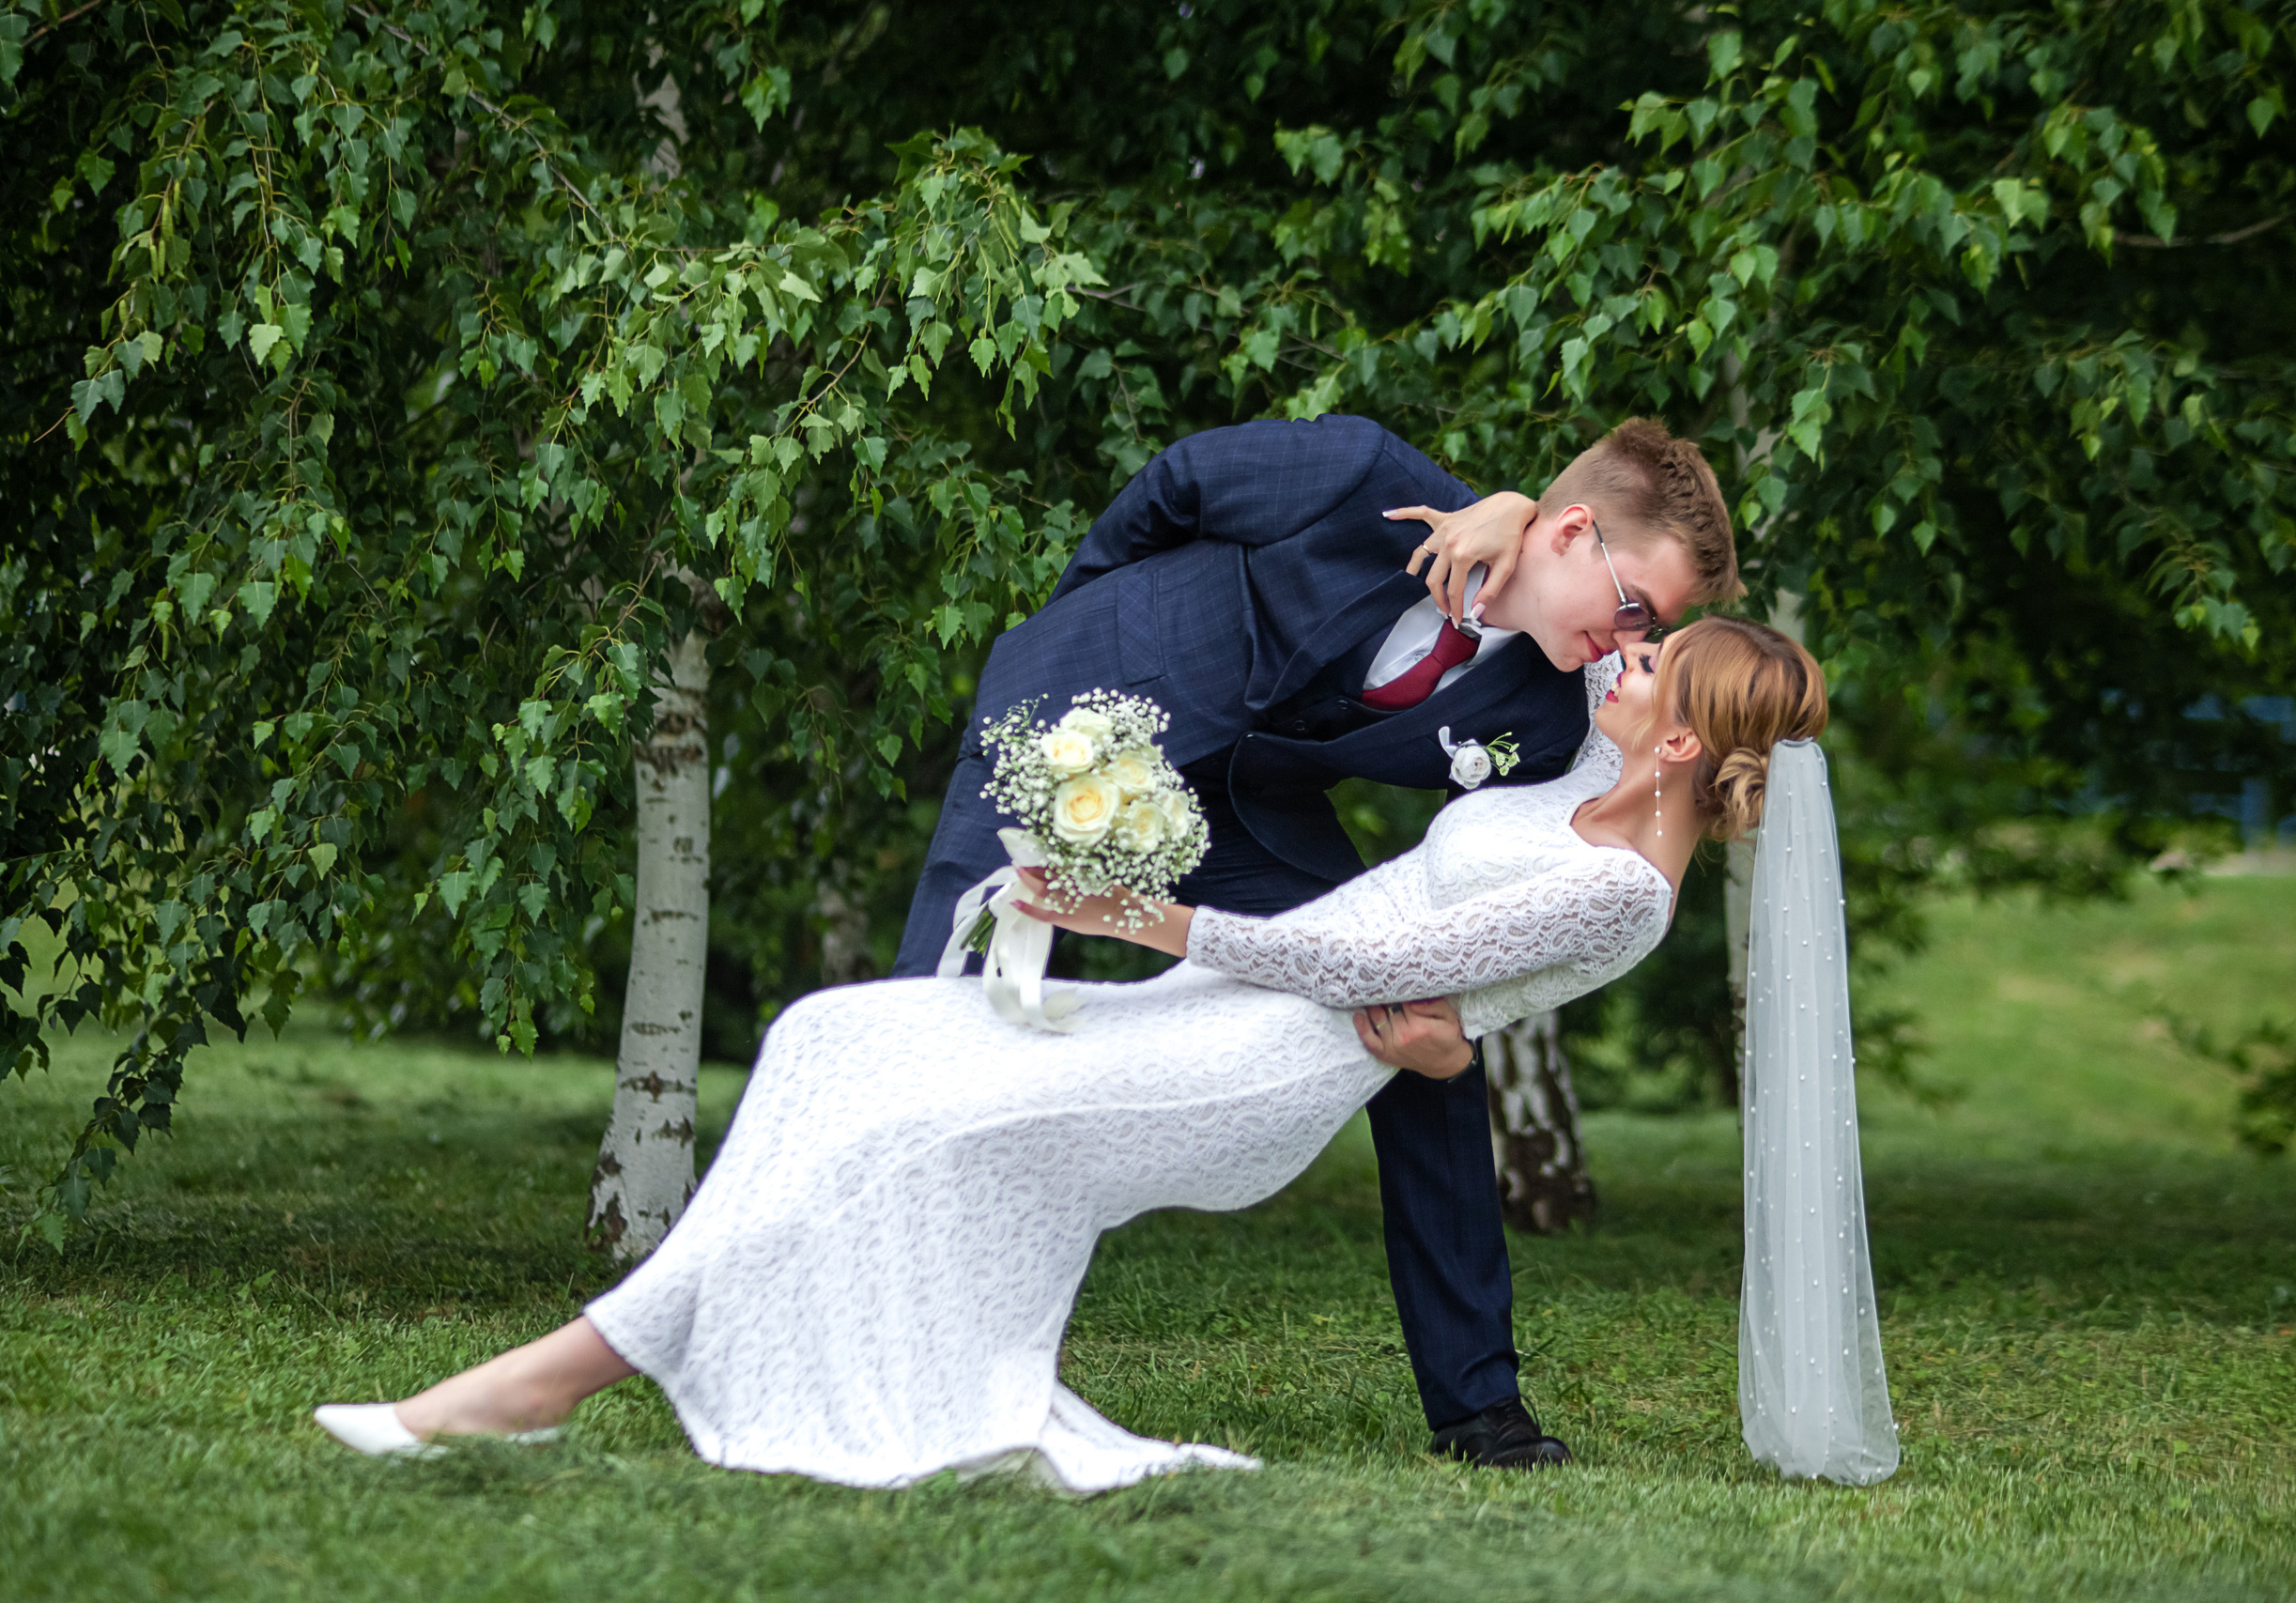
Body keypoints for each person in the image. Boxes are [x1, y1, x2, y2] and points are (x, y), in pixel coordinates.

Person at [316, 617, 1857, 1494]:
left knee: (898, 1133)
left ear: (1677, 749)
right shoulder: (1598, 781)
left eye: (1650, 673)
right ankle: (617, 1362)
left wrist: (1156, 918)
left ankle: (541, 1382)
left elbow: (1392, 971)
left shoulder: (1619, 881)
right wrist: (1521, 514)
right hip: (1245, 1003)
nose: (1622, 664)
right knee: (837, 1036)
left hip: (1261, 1066)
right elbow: (1451, 973)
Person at [891, 413, 1740, 1468]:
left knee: (1419, 1030)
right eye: (1633, 608)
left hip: (1250, 814)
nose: (1627, 639)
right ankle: (892, 1307)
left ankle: (1479, 1409)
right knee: (953, 983)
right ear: (1572, 534)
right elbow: (1173, 485)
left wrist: (1460, 1035)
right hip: (1083, 719)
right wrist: (1092, 644)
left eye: (1645, 624)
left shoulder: (1555, 707)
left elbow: (1678, 756)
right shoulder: (1361, 475)